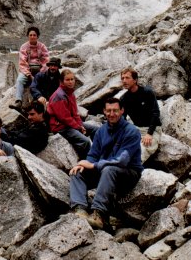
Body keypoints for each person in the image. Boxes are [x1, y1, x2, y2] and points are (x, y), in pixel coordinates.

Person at [69, 97, 143, 230]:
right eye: (108, 110)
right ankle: (80, 210)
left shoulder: (132, 131)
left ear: (122, 111)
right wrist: (84, 164)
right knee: (77, 172)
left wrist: (94, 165)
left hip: (128, 173)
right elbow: (93, 155)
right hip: (105, 171)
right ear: (104, 111)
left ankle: (99, 215)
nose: (112, 114)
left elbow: (122, 160)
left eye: (115, 110)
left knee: (109, 169)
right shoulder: (101, 131)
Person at [47, 69, 95, 158]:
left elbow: (75, 113)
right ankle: (87, 161)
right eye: (67, 80)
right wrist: (78, 127)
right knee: (85, 141)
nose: (70, 82)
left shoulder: (70, 93)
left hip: (70, 124)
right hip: (60, 126)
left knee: (96, 129)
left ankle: (98, 152)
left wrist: (81, 125)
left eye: (72, 79)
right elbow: (64, 118)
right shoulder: (59, 96)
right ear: (61, 81)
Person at [119, 67, 162, 159]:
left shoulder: (147, 92)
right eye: (122, 78)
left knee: (142, 150)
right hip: (136, 129)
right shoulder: (124, 98)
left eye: (127, 78)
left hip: (152, 129)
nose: (124, 81)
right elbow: (122, 118)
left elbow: (155, 113)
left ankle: (132, 170)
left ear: (135, 80)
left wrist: (149, 133)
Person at [13, 26, 49, 109]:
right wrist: (29, 75)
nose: (32, 37)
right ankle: (18, 101)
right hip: (27, 69)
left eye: (34, 35)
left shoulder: (42, 46)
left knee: (45, 80)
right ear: (28, 36)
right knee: (20, 80)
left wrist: (41, 73)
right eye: (30, 35)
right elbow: (22, 63)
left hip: (39, 69)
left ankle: (45, 100)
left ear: (37, 36)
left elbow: (46, 60)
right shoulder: (23, 47)